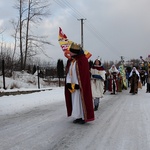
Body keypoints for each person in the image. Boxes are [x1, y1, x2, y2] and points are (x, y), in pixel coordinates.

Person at [64, 42, 95, 124]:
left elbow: (84, 74)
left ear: (75, 52)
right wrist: (68, 82)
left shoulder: (83, 60)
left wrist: (78, 84)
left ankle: (83, 117)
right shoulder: (71, 61)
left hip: (80, 86)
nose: (69, 52)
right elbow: (68, 73)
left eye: (71, 51)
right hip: (72, 85)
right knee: (74, 101)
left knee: (81, 101)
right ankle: (77, 116)